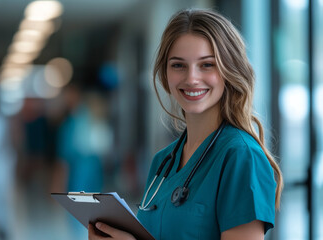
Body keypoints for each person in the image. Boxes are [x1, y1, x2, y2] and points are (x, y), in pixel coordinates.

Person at [88, 8, 283, 240]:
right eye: (178, 65)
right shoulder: (163, 161)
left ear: (229, 70)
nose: (191, 78)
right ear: (165, 74)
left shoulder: (241, 157)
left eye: (207, 65)